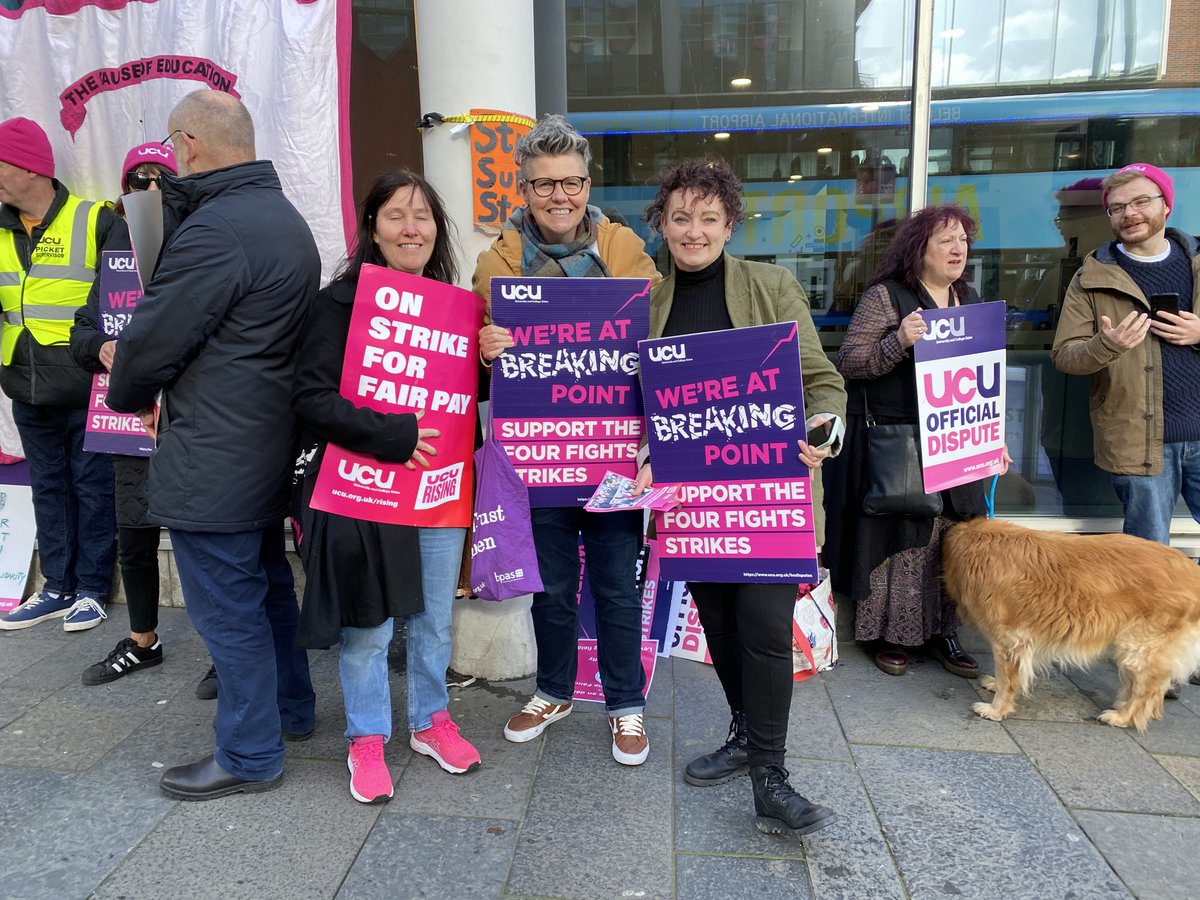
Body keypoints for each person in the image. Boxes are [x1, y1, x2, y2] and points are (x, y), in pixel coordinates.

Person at [105, 90, 317, 800]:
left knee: (230, 612)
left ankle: (250, 754)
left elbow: (152, 340)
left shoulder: (215, 229)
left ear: (187, 144)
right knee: (267, 590)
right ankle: (291, 710)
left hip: (214, 454)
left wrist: (126, 393)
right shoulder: (285, 219)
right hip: (262, 445)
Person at [635, 157, 845, 836]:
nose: (693, 231)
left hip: (771, 497)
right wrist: (640, 451)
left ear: (729, 224)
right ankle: (743, 733)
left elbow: (821, 377)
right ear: (661, 224)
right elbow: (635, 403)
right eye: (680, 218)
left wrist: (826, 426)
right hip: (692, 506)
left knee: (761, 632)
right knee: (720, 631)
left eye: (708, 218)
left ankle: (770, 777)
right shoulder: (646, 302)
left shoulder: (771, 286)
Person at [474, 113, 660, 765]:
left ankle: (625, 705)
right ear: (523, 189)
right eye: (545, 184)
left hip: (610, 455)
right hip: (540, 458)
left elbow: (653, 344)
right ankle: (552, 690)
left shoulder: (625, 249)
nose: (560, 196)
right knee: (550, 588)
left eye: (571, 182)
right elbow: (478, 359)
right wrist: (486, 349)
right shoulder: (495, 260)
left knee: (614, 587)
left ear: (587, 184)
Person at [292, 169, 481, 805]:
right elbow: (309, 398)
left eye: (422, 216)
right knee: (367, 626)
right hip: (364, 487)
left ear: (437, 231)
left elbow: (461, 403)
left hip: (439, 490)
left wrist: (487, 359)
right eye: (396, 215)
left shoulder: (455, 310)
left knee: (433, 620)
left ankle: (430, 720)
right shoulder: (337, 304)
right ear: (373, 226)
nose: (410, 228)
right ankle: (366, 737)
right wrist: (391, 435)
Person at [824, 204, 1004, 680]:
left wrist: (993, 440)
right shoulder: (888, 297)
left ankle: (946, 632)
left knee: (952, 536)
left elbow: (984, 379)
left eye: (963, 240)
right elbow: (849, 363)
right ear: (917, 247)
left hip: (958, 438)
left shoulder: (968, 302)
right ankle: (890, 633)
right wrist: (898, 342)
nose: (957, 248)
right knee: (903, 537)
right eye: (946, 239)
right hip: (900, 441)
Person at [0, 117, 121, 633]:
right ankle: (56, 586)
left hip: (85, 383)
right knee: (49, 486)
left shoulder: (94, 220)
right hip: (24, 384)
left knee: (94, 487)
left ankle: (91, 588)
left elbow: (120, 298)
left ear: (31, 168)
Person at [69, 141, 176, 684]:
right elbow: (82, 330)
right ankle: (142, 640)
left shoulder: (199, 238)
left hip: (186, 417)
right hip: (128, 420)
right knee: (134, 537)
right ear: (125, 189)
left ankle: (222, 659)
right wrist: (100, 348)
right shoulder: (115, 243)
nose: (151, 189)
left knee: (204, 543)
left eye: (162, 178)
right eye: (140, 179)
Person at [1051, 163, 1200, 545]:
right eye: (1117, 207)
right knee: (1147, 562)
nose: (1129, 213)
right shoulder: (1091, 277)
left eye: (1140, 201)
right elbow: (1065, 356)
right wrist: (1107, 345)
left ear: (1166, 206)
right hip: (1139, 444)